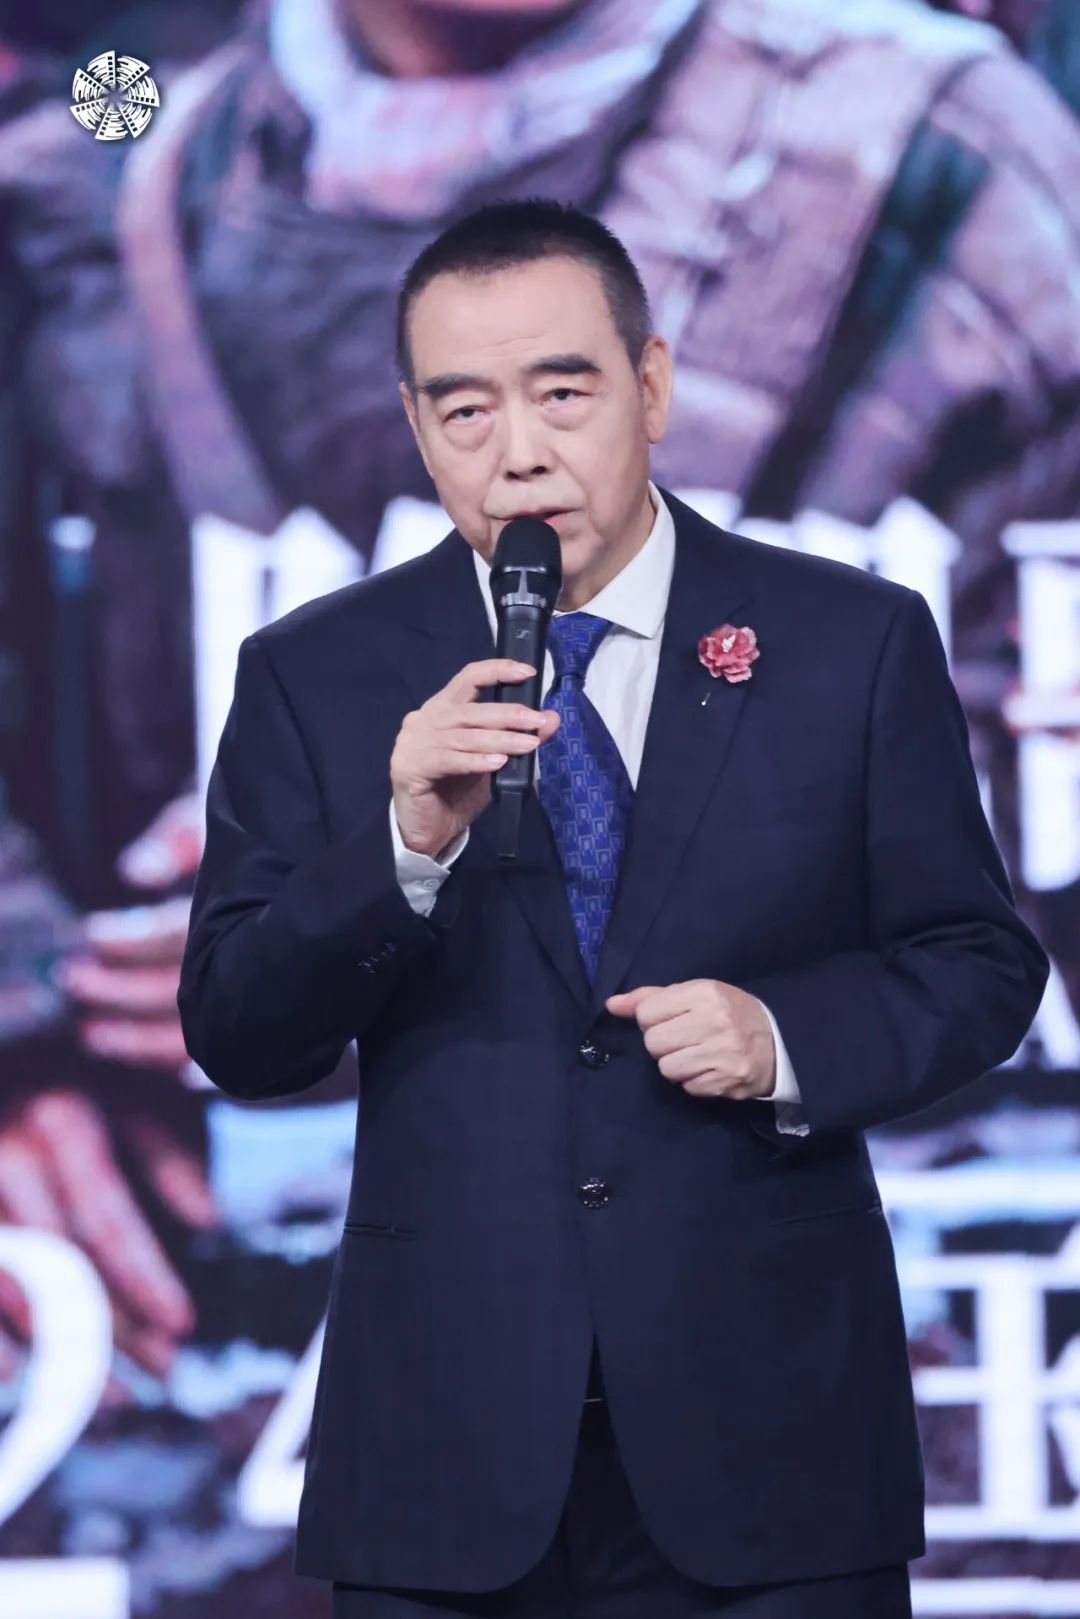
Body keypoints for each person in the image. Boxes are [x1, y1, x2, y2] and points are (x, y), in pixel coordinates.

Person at [178, 200, 1050, 1618]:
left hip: (770, 1433)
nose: (518, 452)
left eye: (563, 392)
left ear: (651, 386)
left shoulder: (848, 640)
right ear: (417, 428)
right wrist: (400, 847)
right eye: (465, 410)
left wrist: (785, 1039)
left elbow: (977, 961)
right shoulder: (317, 672)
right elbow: (239, 1029)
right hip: (448, 1450)